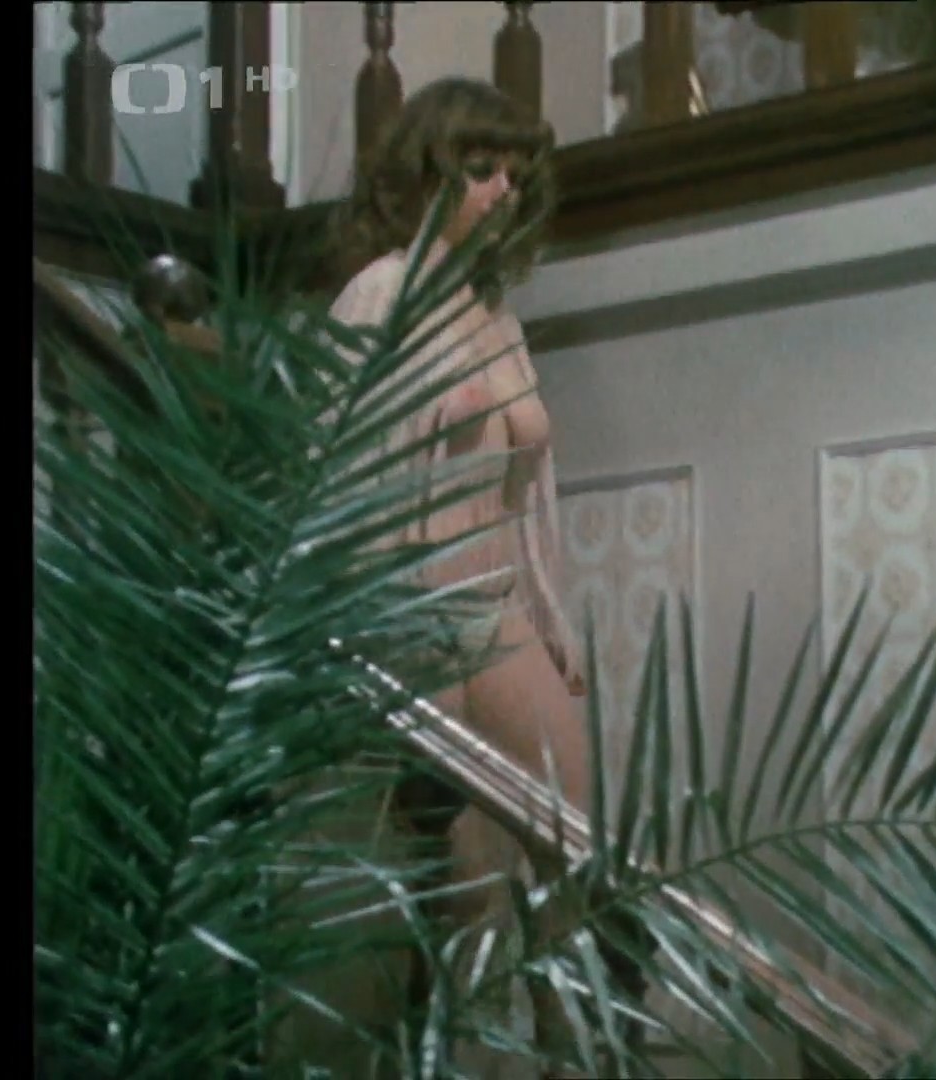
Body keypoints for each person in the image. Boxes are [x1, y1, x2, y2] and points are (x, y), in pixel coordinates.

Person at [320, 76, 619, 1077]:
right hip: (416, 611)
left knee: (578, 839)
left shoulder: (496, 316)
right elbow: (340, 473)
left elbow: (527, 494)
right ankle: (455, 1058)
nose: (501, 190)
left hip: (498, 607)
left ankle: (568, 1043)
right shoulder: (380, 295)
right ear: (428, 172)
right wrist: (372, 629)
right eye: (481, 168)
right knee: (464, 886)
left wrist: (550, 609)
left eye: (515, 174)